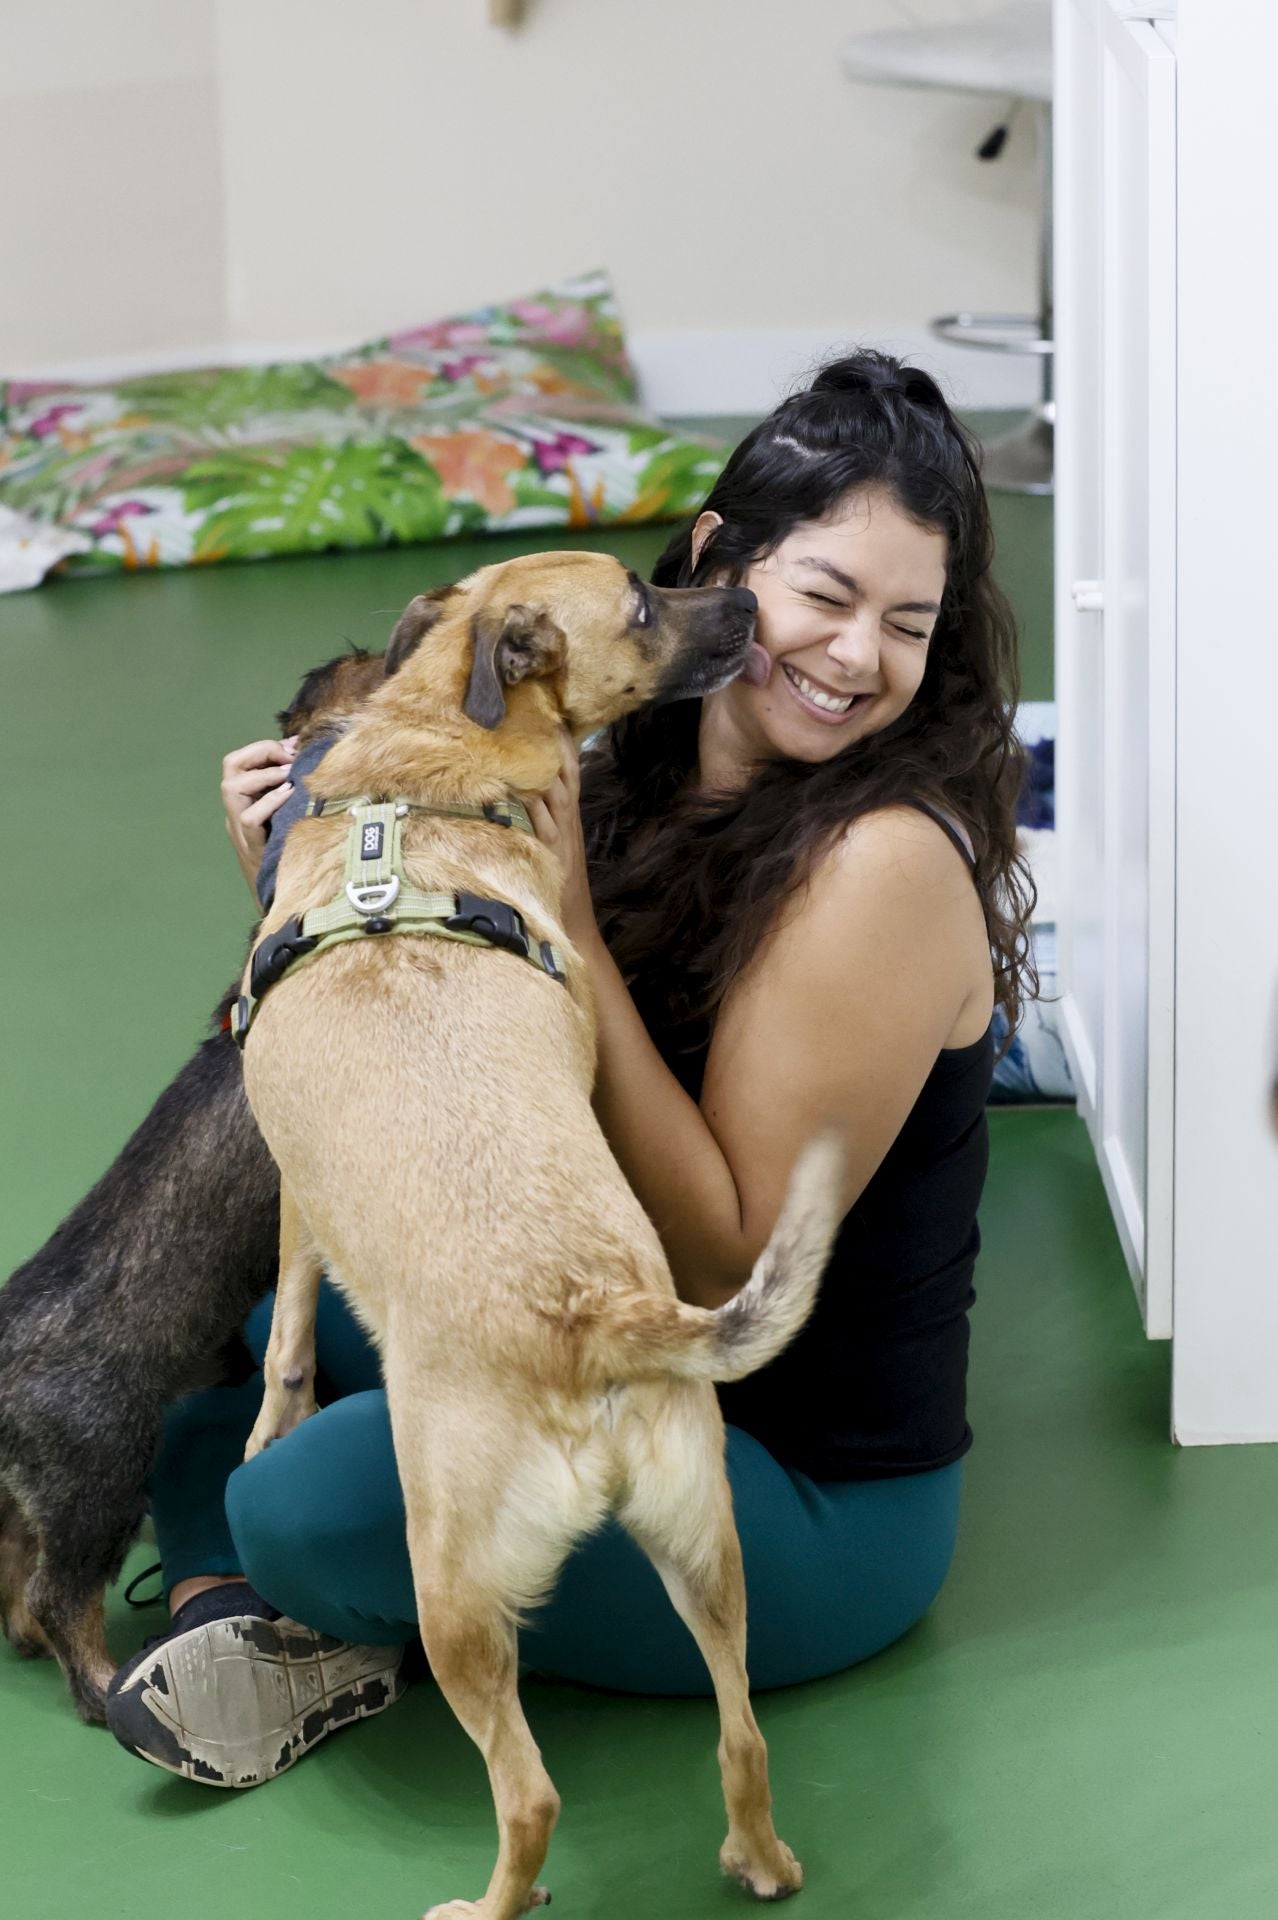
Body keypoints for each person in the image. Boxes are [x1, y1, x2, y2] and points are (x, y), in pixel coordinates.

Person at [105, 351, 1034, 1786]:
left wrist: (567, 922)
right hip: (579, 1319)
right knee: (207, 1247)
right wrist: (295, 908)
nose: (857, 659)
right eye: (827, 599)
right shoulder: (602, 744)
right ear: (721, 566)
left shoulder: (882, 867)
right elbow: (413, 1085)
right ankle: (271, 1600)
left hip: (778, 1468)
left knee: (310, 1500)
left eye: (906, 627)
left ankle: (281, 1591)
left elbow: (724, 1270)